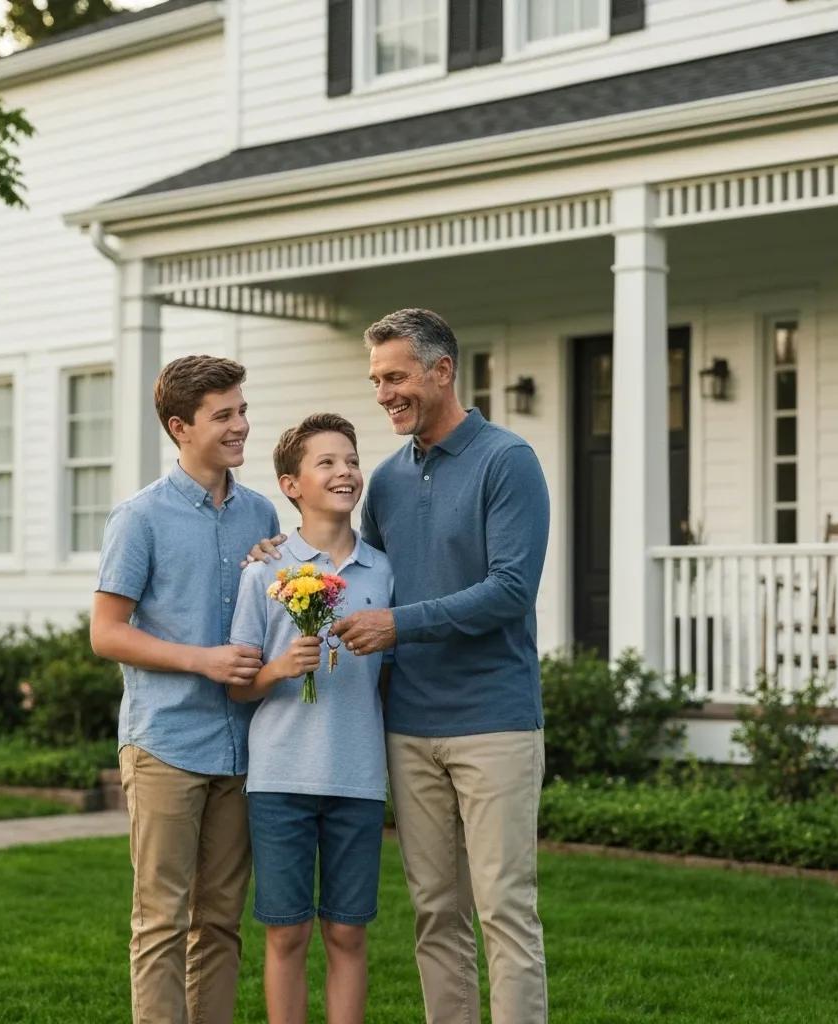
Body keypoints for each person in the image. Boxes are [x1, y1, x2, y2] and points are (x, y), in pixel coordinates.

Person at [247, 309, 550, 1023]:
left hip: (493, 723)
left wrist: (398, 626)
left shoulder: (507, 462)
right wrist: (276, 551)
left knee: (504, 907)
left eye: (396, 376)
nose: (384, 393)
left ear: (442, 371)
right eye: (376, 379)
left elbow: (510, 590)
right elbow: (358, 571)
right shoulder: (382, 480)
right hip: (408, 728)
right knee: (435, 913)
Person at [90, 355, 280, 1024]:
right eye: (223, 415)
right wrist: (202, 660)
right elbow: (107, 633)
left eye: (243, 410)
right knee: (162, 921)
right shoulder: (140, 517)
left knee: (222, 921)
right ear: (180, 427)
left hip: (240, 748)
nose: (241, 426)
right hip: (166, 743)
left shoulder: (261, 513)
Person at [228, 413, 392, 1024]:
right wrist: (278, 669)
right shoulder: (264, 571)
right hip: (279, 782)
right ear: (291, 484)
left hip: (356, 778)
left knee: (348, 935)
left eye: (350, 460)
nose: (345, 471)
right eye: (326, 463)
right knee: (286, 934)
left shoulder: (384, 572)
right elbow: (240, 689)